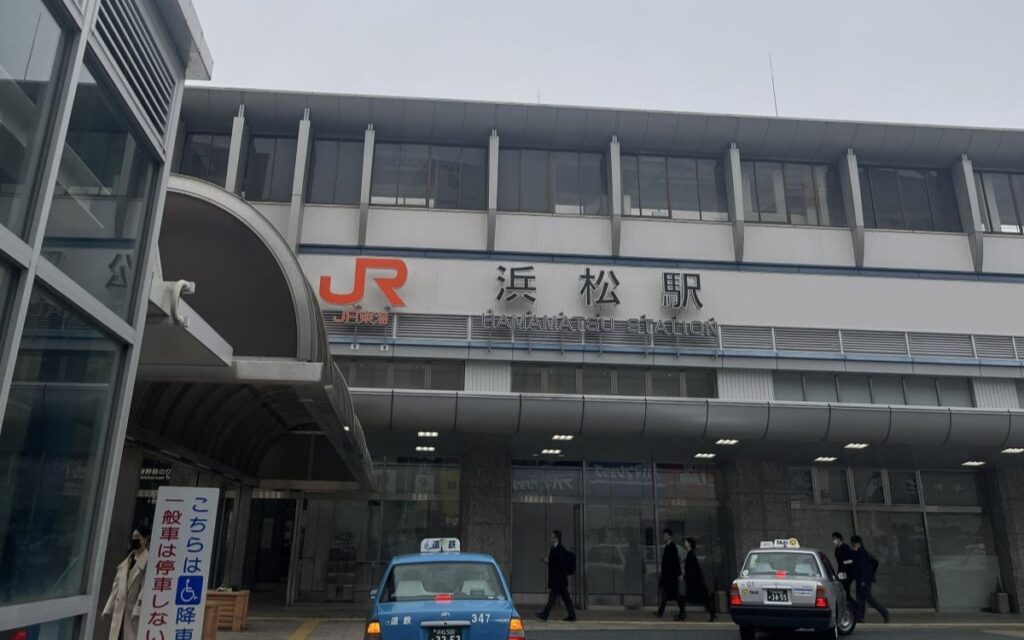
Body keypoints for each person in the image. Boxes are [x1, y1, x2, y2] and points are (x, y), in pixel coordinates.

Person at [103, 525, 151, 640]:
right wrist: (108, 608)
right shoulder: (126, 562)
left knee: (130, 635)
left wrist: (137, 611)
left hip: (133, 612)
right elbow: (116, 587)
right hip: (120, 609)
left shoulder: (147, 562)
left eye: (138, 537)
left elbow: (145, 589)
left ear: (146, 539)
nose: (135, 540)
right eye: (133, 537)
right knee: (117, 635)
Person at [536, 530, 577, 622]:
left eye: (552, 537)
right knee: (566, 598)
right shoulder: (555, 548)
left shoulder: (559, 550)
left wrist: (548, 562)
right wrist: (548, 562)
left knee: (552, 598)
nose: (551, 538)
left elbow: (558, 565)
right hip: (560, 580)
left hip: (558, 580)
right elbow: (555, 563)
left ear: (556, 538)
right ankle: (572, 615)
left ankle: (544, 615)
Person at [850, 535, 890, 624]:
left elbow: (863, 568)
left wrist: (863, 580)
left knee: (868, 598)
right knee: (860, 599)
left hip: (864, 580)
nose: (853, 545)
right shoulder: (858, 553)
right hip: (860, 579)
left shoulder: (862, 553)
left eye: (854, 544)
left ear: (858, 543)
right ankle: (860, 616)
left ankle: (884, 612)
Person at [654, 528, 685, 620]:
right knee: (666, 595)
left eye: (665, 535)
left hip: (671, 576)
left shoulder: (672, 546)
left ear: (669, 536)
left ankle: (682, 611)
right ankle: (660, 612)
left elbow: (675, 561)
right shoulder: (668, 546)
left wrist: (679, 574)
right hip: (668, 576)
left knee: (675, 595)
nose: (663, 537)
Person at [683, 537, 716, 622]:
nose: (684, 544)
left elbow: (694, 568)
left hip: (694, 581)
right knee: (703, 598)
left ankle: (712, 612)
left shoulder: (691, 554)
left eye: (686, 542)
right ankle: (712, 612)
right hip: (694, 580)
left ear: (689, 544)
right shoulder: (690, 554)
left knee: (702, 598)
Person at [832, 531, 856, 604]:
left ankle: (855, 606)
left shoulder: (846, 548)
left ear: (839, 539)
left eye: (835, 539)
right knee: (843, 592)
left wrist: (845, 563)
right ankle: (852, 606)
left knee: (846, 592)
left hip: (848, 572)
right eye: (833, 539)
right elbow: (839, 563)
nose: (834, 541)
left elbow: (851, 560)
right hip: (841, 573)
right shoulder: (836, 550)